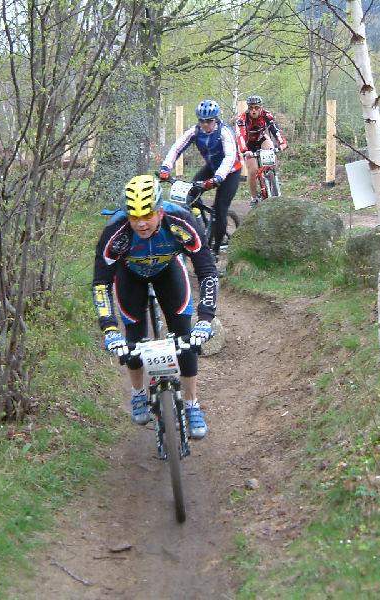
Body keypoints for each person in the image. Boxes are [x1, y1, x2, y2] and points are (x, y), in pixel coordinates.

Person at [92, 174, 218, 439]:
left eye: (147, 215)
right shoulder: (115, 232)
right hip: (130, 275)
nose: (141, 224)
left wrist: (205, 319)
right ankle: (138, 393)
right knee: (133, 341)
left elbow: (207, 271)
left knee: (186, 338)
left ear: (160, 210)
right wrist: (110, 329)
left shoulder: (181, 221)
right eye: (134, 217)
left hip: (168, 270)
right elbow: (102, 284)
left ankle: (192, 403)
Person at [160, 99, 242, 258]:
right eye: (202, 120)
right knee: (190, 194)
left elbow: (230, 157)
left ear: (216, 119)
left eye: (209, 121)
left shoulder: (224, 132)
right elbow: (177, 147)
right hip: (211, 168)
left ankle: (215, 250)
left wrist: (218, 178)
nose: (205, 124)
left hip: (230, 171)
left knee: (220, 209)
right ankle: (203, 225)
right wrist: (166, 167)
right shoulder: (196, 131)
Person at [235, 95, 288, 207]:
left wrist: (282, 142)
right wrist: (245, 150)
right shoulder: (242, 119)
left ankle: (273, 177)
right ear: (248, 108)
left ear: (261, 108)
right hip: (248, 145)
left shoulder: (267, 115)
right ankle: (254, 198)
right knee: (253, 170)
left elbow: (275, 129)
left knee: (272, 153)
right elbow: (240, 136)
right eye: (251, 108)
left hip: (261, 139)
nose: (254, 110)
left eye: (256, 107)